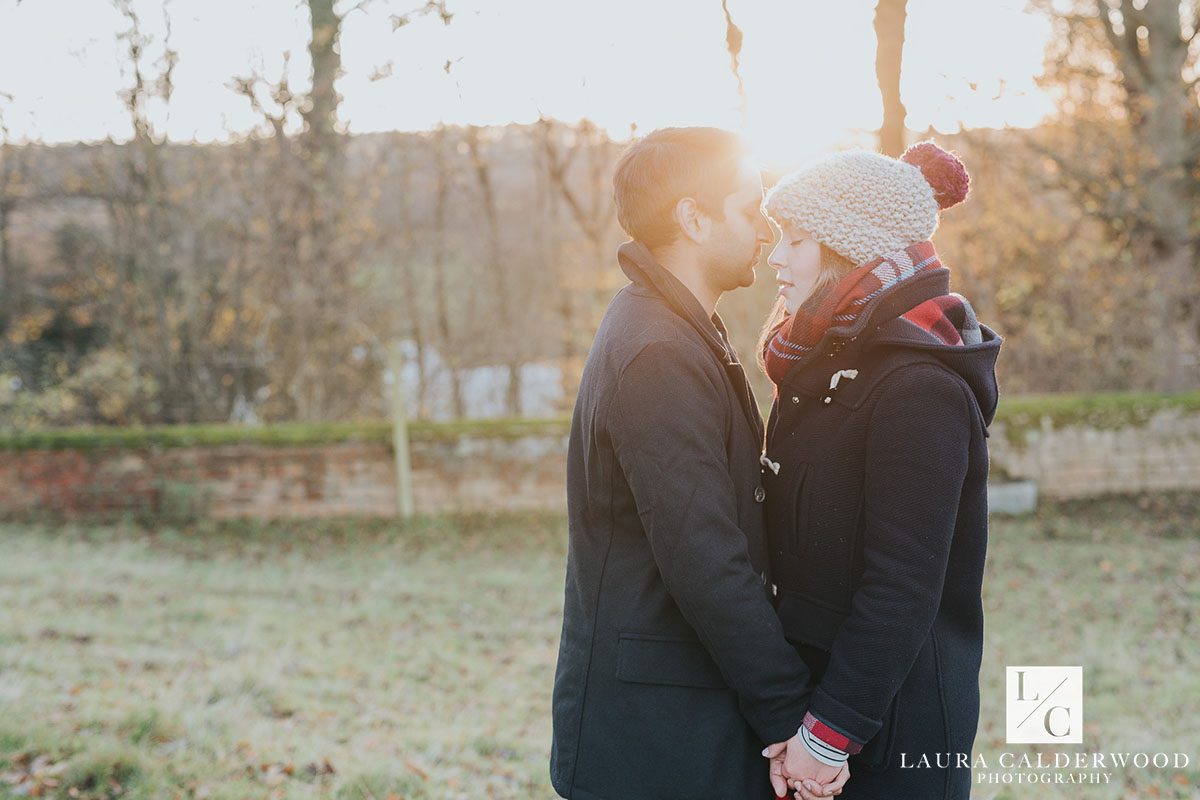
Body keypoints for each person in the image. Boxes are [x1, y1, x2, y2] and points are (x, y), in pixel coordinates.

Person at [550, 127, 849, 800]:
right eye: (749, 211)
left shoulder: (678, 327)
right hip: (654, 740)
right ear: (692, 217)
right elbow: (704, 554)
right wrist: (785, 713)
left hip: (680, 719)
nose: (766, 234)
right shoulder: (656, 350)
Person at [755, 141, 1002, 800]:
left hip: (893, 734)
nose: (775, 257)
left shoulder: (919, 386)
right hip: (822, 716)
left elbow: (903, 585)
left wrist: (827, 733)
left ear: (847, 248)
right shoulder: (828, 367)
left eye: (797, 239)